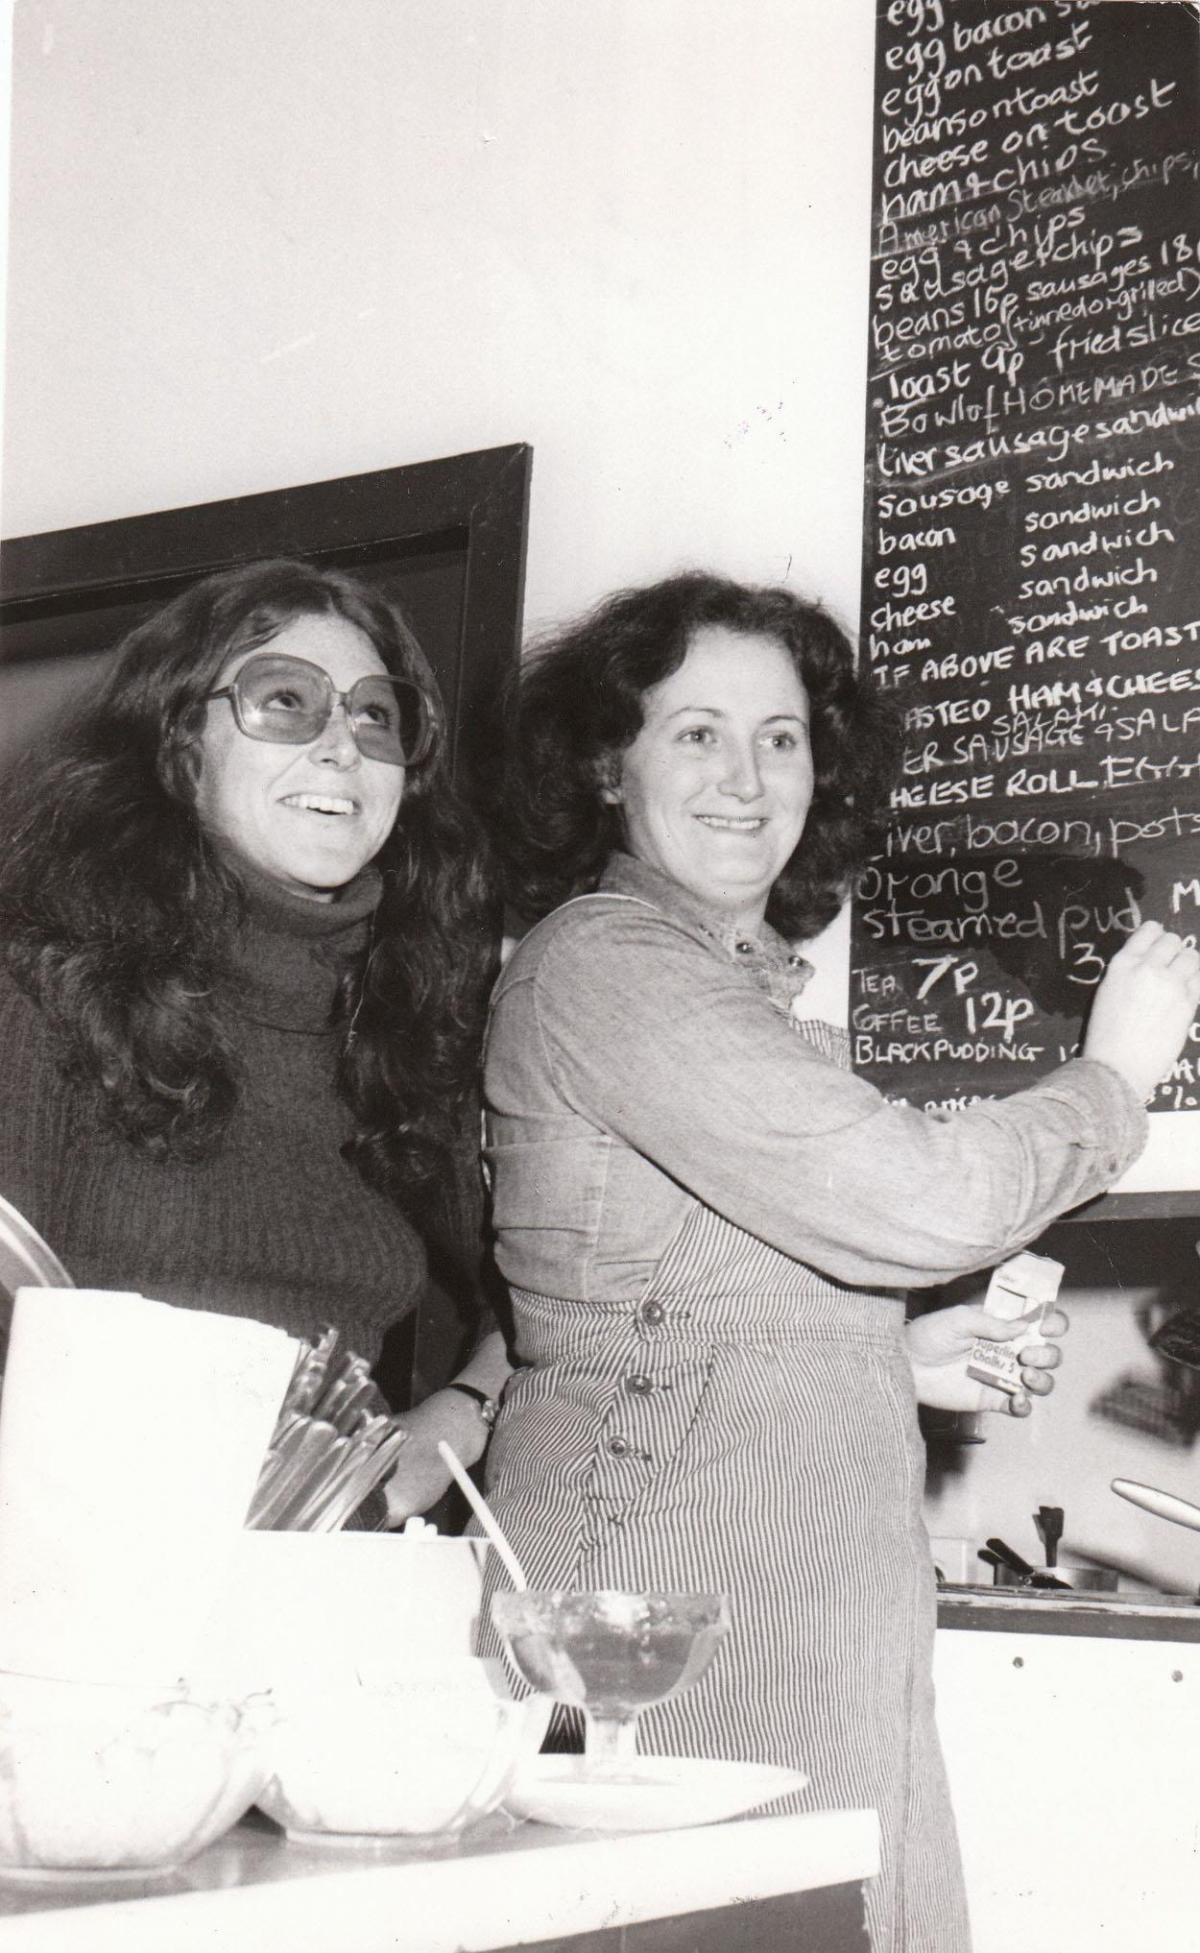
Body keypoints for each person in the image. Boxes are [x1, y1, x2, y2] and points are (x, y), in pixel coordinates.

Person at [478, 572, 1200, 1953]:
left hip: (787, 1581)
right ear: (603, 766)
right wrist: (1111, 1080)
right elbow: (918, 1200)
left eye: (783, 735)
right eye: (695, 731)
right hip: (659, 1604)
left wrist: (896, 1353)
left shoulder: (728, 986)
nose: (748, 775)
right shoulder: (607, 962)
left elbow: (688, 1291)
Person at [0, 558, 510, 1520]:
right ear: (181, 743)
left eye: (376, 716)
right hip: (77, 1572)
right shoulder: (41, 984)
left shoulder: (410, 1023)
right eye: (288, 701)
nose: (341, 747)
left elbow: (545, 1286)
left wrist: (453, 1418)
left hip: (311, 1584)